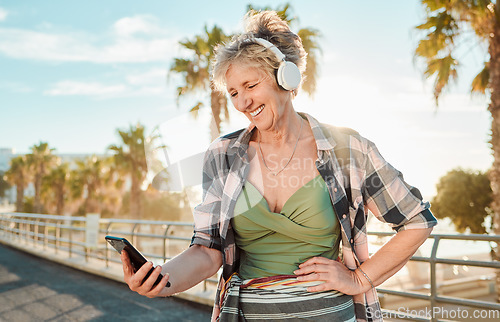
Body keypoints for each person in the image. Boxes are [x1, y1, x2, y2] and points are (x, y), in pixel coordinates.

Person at [120, 10, 437, 322]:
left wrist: (358, 280)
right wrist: (162, 280)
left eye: (250, 85)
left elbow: (416, 221)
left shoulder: (347, 149)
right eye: (233, 92)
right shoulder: (223, 155)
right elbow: (207, 250)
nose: (242, 101)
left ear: (285, 77)